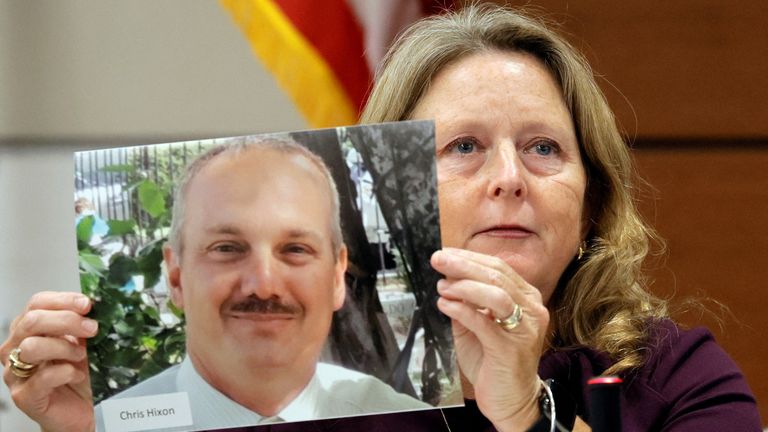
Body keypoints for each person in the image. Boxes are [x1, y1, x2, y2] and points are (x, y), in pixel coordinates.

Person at [1, 4, 762, 432]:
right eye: (463, 147)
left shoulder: (676, 378)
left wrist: (523, 417)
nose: (508, 179)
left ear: (591, 200)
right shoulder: (292, 388)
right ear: (399, 192)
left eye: (542, 149)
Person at [2, 137, 429, 432]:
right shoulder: (105, 426)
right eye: (227, 248)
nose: (263, 284)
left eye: (296, 248)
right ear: (176, 277)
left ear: (337, 277)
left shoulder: (408, 421)